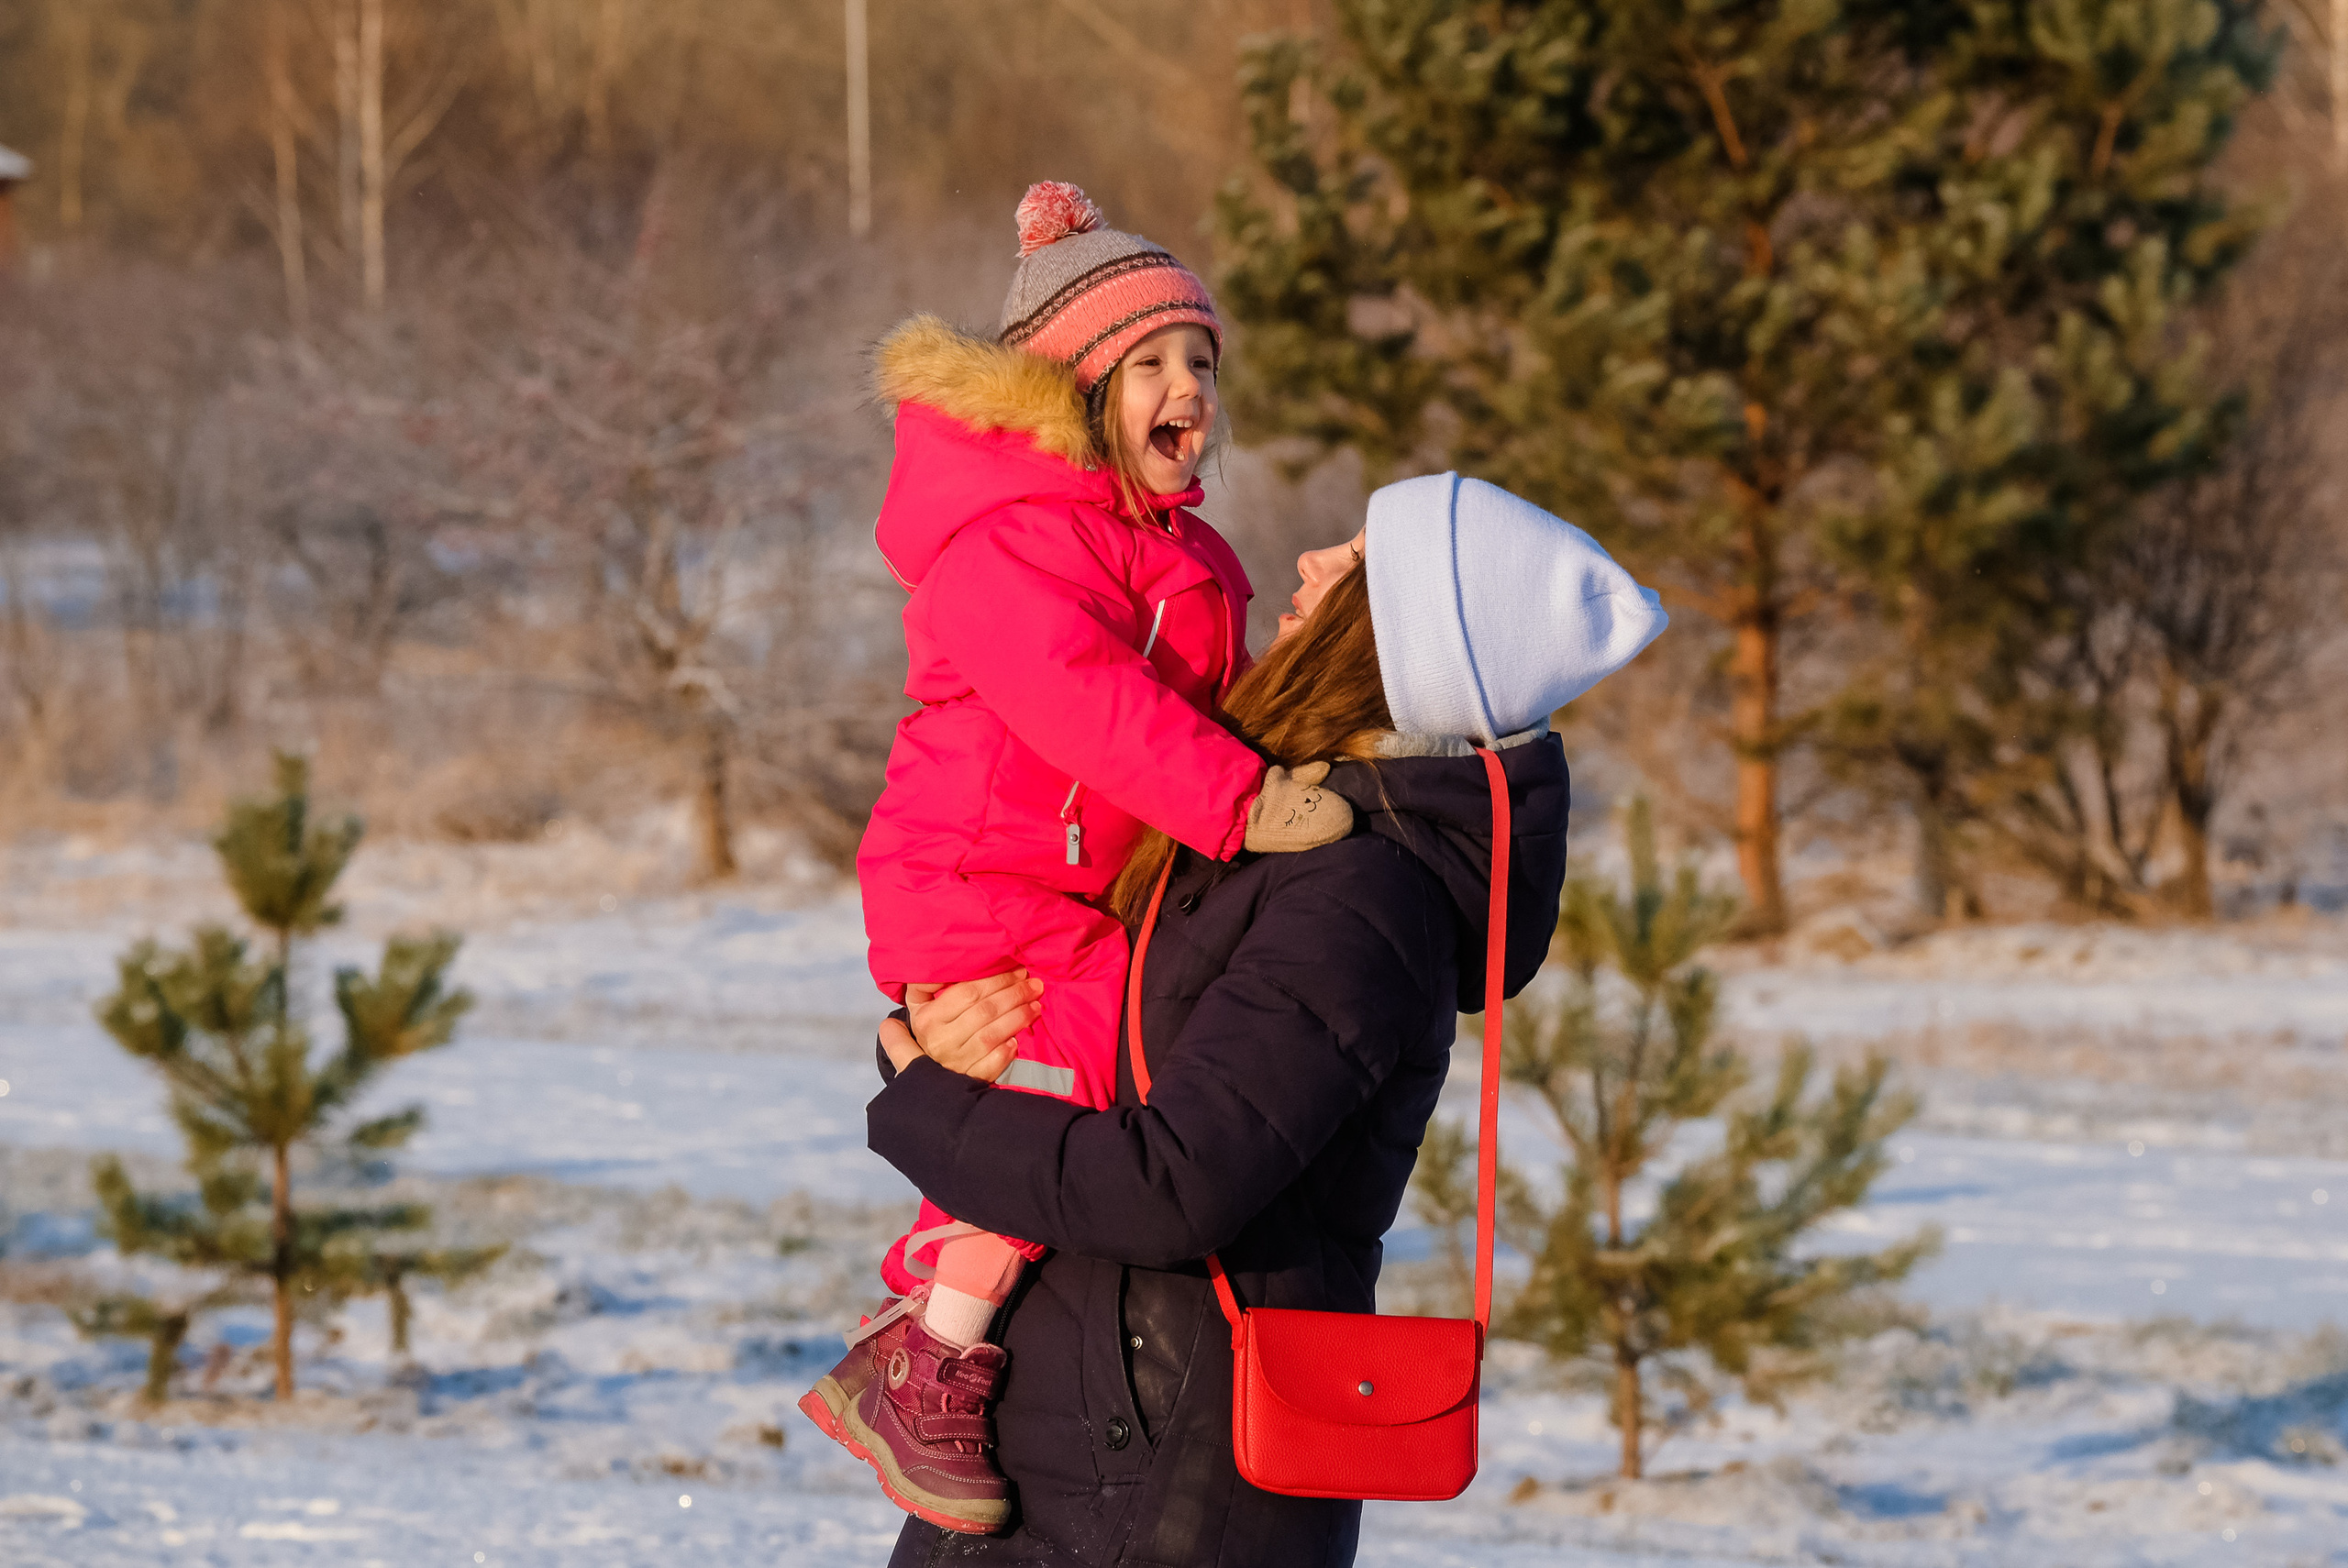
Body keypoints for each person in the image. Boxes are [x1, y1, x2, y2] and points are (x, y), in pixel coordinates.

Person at [858, 473, 1667, 1565]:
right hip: (1082, 1433)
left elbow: (1172, 1185)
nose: (1306, 567)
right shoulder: (1261, 827)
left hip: (1164, 1476)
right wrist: (945, 1042)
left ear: (1394, 640)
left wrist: (923, 1111)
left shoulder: (1357, 891)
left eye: (1350, 560)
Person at [802, 181, 1355, 1533]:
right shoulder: (1007, 545)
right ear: (1070, 392)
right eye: (1151, 364)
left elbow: (1207, 713)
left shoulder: (1194, 558)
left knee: (1113, 1064)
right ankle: (925, 1348)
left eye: (1203, 364)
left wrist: (1322, 678)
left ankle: (943, 1302)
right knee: (1082, 1078)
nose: (1190, 390)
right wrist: (1241, 804)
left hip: (1073, 890)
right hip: (974, 877)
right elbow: (1082, 706)